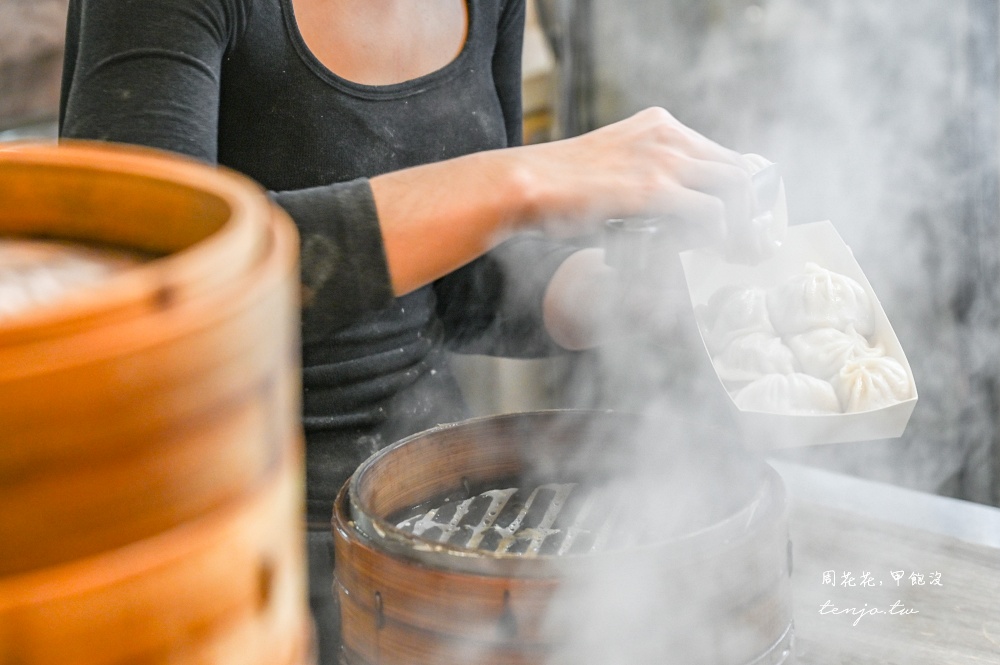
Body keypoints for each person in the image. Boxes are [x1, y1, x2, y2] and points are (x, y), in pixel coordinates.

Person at [59, 0, 755, 661]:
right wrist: (515, 180)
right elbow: (145, 289)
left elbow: (460, 275)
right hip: (223, 544)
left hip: (435, 520)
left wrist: (620, 296)